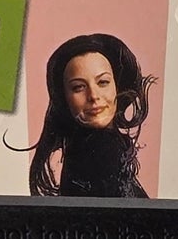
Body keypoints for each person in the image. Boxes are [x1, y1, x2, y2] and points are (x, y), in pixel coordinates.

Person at [25, 32, 156, 198]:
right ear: (64, 98)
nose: (93, 96)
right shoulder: (98, 149)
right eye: (78, 87)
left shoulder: (97, 148)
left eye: (103, 82)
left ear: (117, 86)